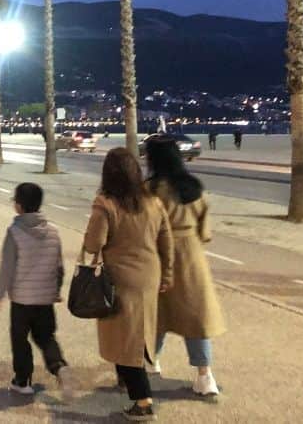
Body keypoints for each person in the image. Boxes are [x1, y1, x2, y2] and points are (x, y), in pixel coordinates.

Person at [84, 148, 173, 422]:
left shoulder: (106, 203)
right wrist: (167, 274)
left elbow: (93, 243)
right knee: (134, 331)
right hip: (149, 275)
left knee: (128, 338)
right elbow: (166, 241)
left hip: (120, 279)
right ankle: (124, 378)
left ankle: (143, 401)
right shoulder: (153, 202)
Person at [145, 136, 225, 396]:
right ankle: (205, 375)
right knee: (196, 317)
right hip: (191, 255)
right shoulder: (193, 187)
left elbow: (144, 226)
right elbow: (206, 232)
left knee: (156, 314)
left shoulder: (150, 189)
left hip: (158, 255)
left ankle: (150, 362)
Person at [0, 183, 71, 396]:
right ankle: (59, 366)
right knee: (46, 336)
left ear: (19, 206)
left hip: (22, 300)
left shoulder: (15, 232)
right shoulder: (53, 232)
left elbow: (7, 267)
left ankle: (22, 380)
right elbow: (60, 267)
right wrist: (55, 290)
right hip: (45, 299)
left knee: (20, 339)